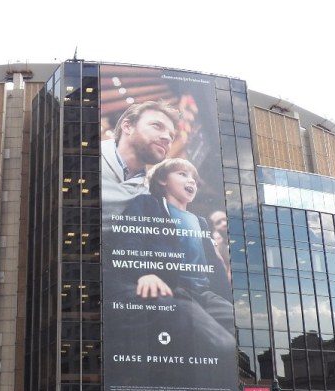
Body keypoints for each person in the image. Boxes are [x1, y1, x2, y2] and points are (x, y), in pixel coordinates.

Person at [115, 157, 235, 354]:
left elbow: (213, 264)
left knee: (237, 333)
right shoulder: (147, 205)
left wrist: (224, 296)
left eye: (194, 180)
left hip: (205, 293)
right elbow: (130, 239)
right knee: (223, 344)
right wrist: (144, 273)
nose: (191, 181)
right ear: (163, 180)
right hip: (174, 289)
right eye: (182, 174)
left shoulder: (201, 222)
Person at [101, 100, 180, 220]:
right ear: (127, 127)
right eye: (157, 126)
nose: (167, 138)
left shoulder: (149, 195)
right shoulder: (83, 158)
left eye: (171, 136)